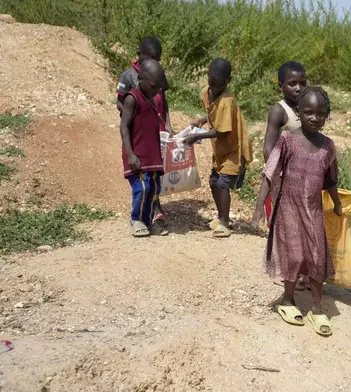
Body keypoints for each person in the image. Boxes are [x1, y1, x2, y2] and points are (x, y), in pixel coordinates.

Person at [252, 86, 342, 337]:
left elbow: (331, 179)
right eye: (308, 112)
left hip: (313, 210)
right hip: (288, 208)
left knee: (316, 256)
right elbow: (270, 172)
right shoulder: (287, 140)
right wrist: (259, 207)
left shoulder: (328, 147)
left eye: (321, 113)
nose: (315, 117)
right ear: (299, 113)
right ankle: (288, 300)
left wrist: (336, 202)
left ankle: (316, 307)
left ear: (328, 115)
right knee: (293, 254)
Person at [185, 58, 253, 238]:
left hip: (233, 148)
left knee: (223, 184)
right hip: (221, 149)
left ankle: (225, 223)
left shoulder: (227, 100)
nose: (214, 87)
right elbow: (213, 114)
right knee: (214, 182)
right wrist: (202, 119)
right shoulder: (206, 94)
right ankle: (222, 216)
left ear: (228, 81)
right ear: (207, 77)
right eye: (211, 82)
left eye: (220, 84)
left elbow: (222, 131)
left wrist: (198, 136)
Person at [263, 61, 311, 290]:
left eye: (302, 83)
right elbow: (268, 147)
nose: (298, 88)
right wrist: (278, 177)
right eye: (292, 83)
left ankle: (301, 271)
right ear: (281, 85)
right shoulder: (280, 111)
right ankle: (283, 271)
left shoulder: (309, 108)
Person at [116, 36, 173, 227]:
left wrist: (167, 124)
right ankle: (138, 218)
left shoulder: (156, 76)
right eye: (150, 59)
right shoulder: (129, 78)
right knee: (141, 182)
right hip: (137, 134)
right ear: (139, 55)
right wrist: (133, 115)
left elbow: (163, 101)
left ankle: (153, 212)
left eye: (157, 60)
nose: (153, 63)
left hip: (153, 135)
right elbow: (121, 103)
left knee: (154, 180)